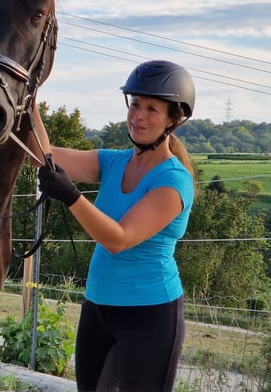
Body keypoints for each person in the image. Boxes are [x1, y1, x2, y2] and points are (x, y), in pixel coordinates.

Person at [32, 60, 196, 392]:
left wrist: (71, 196)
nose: (138, 115)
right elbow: (43, 154)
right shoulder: (113, 160)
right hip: (98, 307)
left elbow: (119, 239)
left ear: (173, 119)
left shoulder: (173, 181)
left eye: (152, 109)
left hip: (150, 315)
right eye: (135, 104)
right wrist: (28, 98)